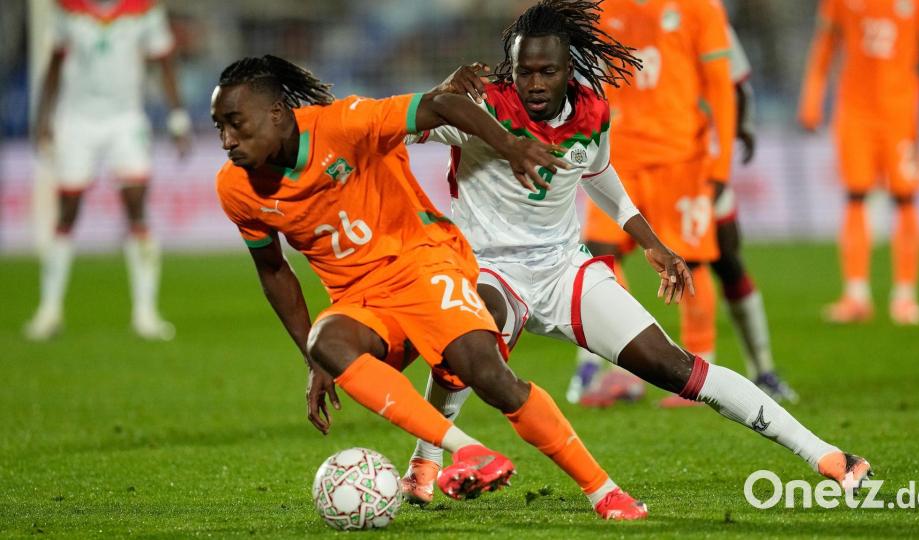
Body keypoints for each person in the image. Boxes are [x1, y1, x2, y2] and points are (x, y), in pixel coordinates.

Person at [400, 0, 870, 511]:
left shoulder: (592, 111)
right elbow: (391, 127)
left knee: (677, 368)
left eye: (547, 72)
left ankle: (826, 456)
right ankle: (426, 460)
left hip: (563, 271)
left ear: (569, 69)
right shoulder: (479, 106)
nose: (534, 84)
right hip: (488, 267)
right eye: (524, 71)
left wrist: (651, 241)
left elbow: (600, 176)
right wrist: (440, 94)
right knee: (475, 333)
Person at [212, 54, 648, 519]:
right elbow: (275, 272)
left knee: (487, 375)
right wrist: (313, 359)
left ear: (277, 113)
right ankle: (469, 451)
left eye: (236, 124)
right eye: (219, 127)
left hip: (425, 262)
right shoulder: (236, 189)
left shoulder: (344, 124)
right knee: (327, 340)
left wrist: (509, 145)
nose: (226, 140)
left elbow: (441, 105)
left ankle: (605, 492)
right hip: (363, 301)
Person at [572, 23, 797, 407]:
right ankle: (618, 367)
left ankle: (759, 369)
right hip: (626, 155)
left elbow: (734, 83)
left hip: (692, 159)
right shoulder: (604, 11)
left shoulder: (702, 12)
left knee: (723, 260)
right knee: (597, 255)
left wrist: (732, 143)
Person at [25, 0, 191, 341]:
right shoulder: (67, 8)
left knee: (136, 205)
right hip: (76, 120)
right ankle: (49, 309)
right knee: (68, 209)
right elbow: (55, 63)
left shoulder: (144, 8)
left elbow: (164, 61)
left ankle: (145, 312)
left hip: (125, 119)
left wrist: (177, 116)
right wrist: (43, 117)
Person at [798, 0, 919, 325]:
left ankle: (905, 296)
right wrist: (811, 97)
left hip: (900, 112)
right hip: (854, 112)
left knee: (905, 199)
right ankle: (856, 295)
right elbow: (825, 44)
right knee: (855, 197)